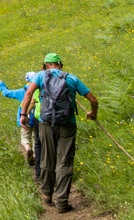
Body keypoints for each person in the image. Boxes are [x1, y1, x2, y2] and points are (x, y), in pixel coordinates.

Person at [19, 53, 99, 213]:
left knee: (48, 157)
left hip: (46, 123)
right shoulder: (72, 78)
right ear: (60, 64)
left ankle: (47, 194)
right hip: (68, 124)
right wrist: (93, 113)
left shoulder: (41, 76)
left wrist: (24, 115)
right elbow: (93, 99)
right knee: (64, 161)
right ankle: (62, 201)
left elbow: (28, 94)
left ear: (47, 65)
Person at [0, 72, 38, 165]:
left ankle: (28, 148)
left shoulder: (22, 91)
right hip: (37, 118)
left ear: (27, 80)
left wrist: (1, 84)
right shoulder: (39, 90)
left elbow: (7, 93)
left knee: (25, 137)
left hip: (25, 119)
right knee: (36, 138)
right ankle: (36, 156)